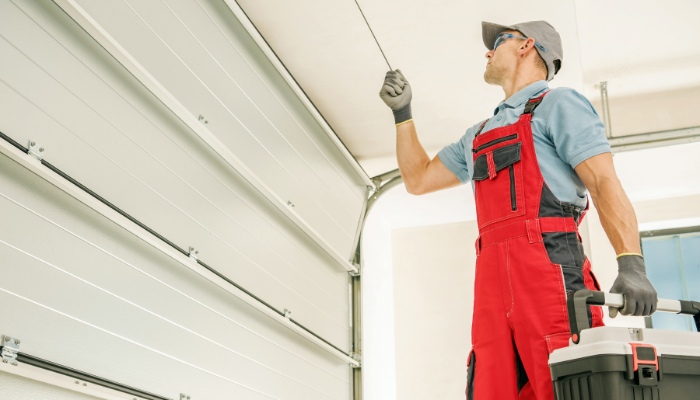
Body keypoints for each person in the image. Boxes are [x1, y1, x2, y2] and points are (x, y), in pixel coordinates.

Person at [379, 20, 658, 400]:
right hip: (491, 280)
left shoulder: (559, 104)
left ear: (527, 45)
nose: (488, 51)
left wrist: (631, 263)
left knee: (565, 380)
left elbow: (603, 182)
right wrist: (403, 114)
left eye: (498, 41)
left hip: (548, 266)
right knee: (492, 385)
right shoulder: (476, 135)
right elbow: (418, 180)